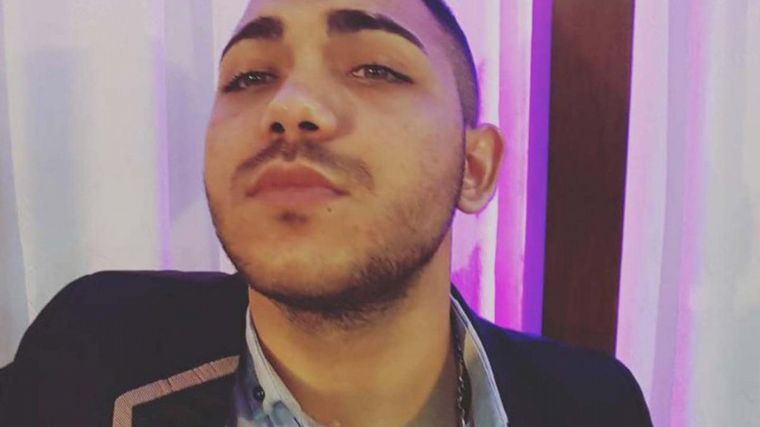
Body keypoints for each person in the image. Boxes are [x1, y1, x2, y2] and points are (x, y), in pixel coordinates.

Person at [0, 0, 652, 426]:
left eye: (374, 68)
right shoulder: (87, 357)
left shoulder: (595, 405)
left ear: (475, 168)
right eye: (250, 77)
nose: (289, 105)